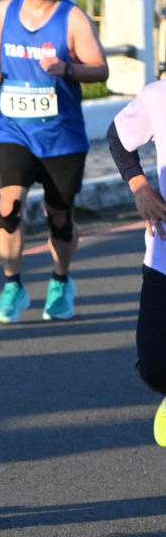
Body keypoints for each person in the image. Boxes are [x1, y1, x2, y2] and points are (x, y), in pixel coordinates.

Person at [0, 0, 108, 324]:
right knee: (9, 206)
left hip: (61, 137)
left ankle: (60, 280)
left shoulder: (73, 19)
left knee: (59, 216)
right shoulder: (6, 10)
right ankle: (12, 286)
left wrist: (67, 68)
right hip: (14, 130)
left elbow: (100, 69)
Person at [106, 96, 166, 445]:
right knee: (154, 364)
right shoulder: (159, 95)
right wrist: (140, 188)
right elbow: (117, 135)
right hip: (163, 254)